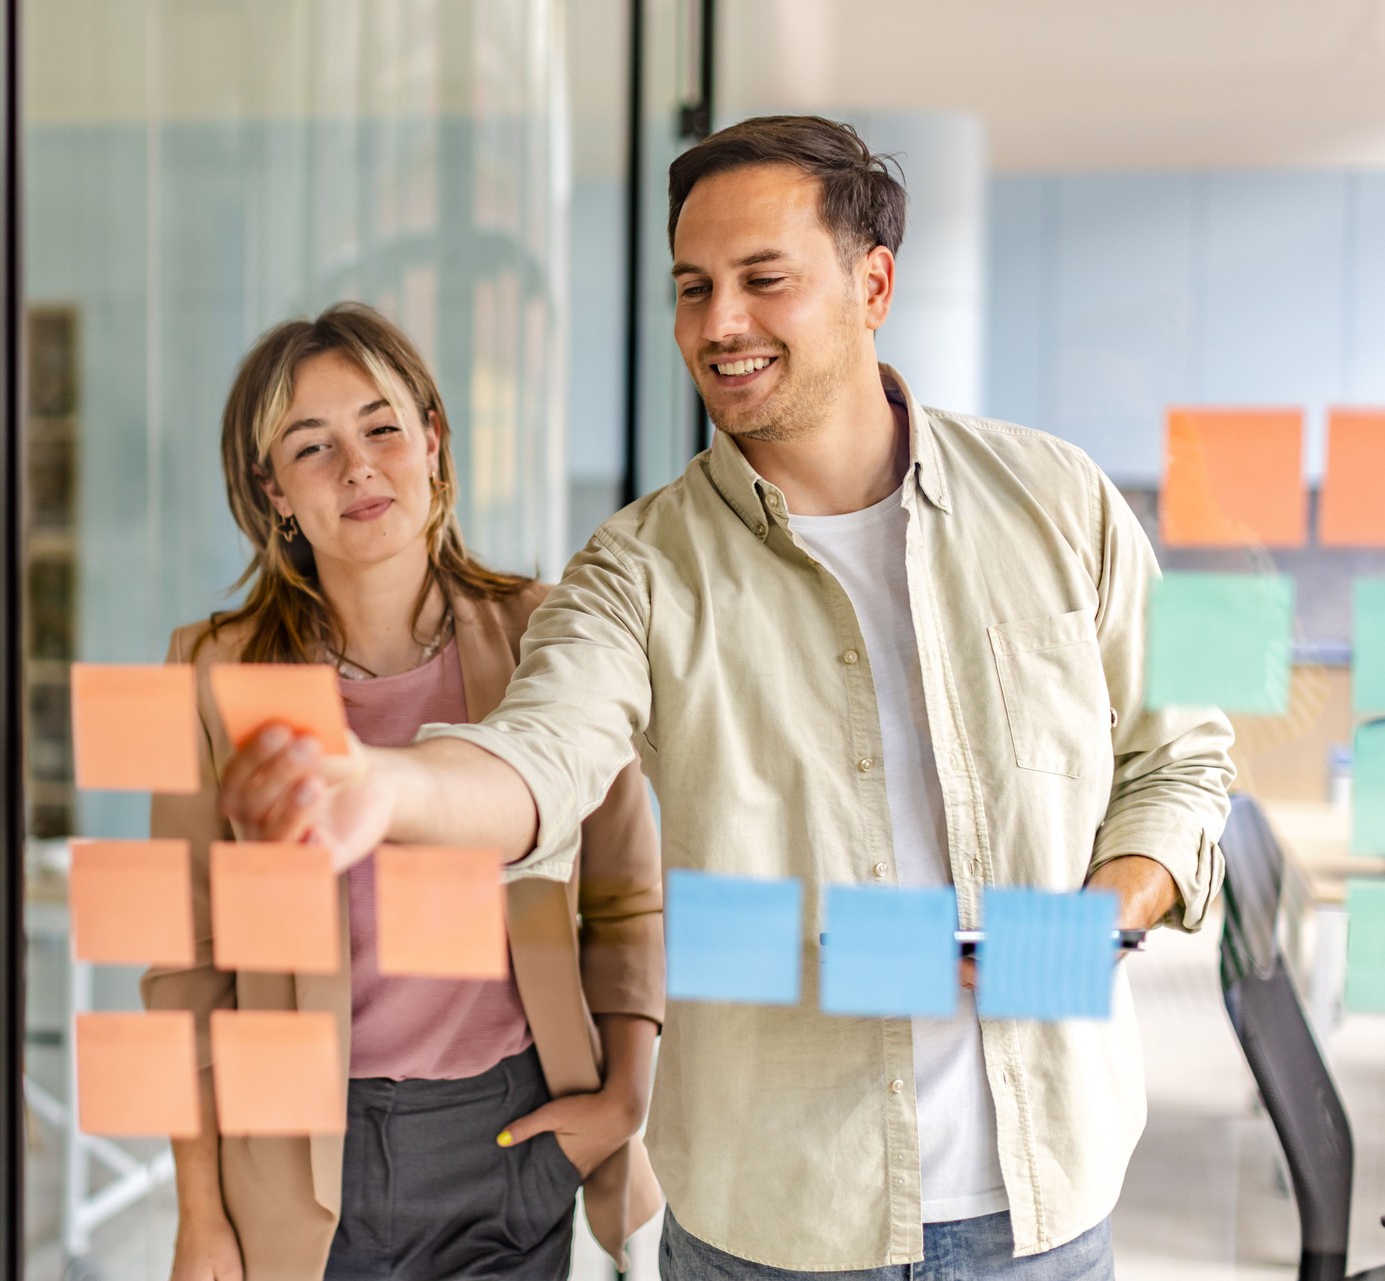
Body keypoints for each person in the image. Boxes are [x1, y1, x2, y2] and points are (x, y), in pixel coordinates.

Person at [220, 117, 1236, 1279]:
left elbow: (1188, 754)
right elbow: (540, 757)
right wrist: (383, 783)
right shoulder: (636, 568)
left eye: (764, 281)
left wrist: (1103, 916)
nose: (719, 324)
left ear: (873, 285)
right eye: (693, 287)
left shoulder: (1062, 498)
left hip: (1050, 1210)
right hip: (775, 1230)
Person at [142, 303, 666, 1281]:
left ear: (433, 439)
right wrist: (198, 1213)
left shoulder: (547, 639)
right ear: (273, 493)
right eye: (313, 446)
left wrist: (622, 1098)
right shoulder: (211, 675)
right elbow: (187, 969)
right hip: (298, 1150)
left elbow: (627, 896)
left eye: (383, 426)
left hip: (511, 1133)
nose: (358, 466)